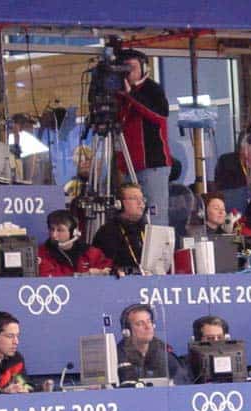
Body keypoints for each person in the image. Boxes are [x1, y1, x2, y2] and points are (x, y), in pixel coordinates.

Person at [116, 49, 172, 227]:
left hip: (152, 164)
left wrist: (132, 95)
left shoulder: (152, 89)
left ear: (143, 68)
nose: (127, 72)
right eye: (123, 68)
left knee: (154, 218)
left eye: (131, 67)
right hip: (128, 166)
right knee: (130, 217)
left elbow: (160, 114)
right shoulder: (118, 93)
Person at [116, 304, 188, 385]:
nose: (148, 327)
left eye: (149, 322)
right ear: (127, 331)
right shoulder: (117, 356)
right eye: (140, 323)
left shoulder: (162, 351)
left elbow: (182, 381)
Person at [38, 210, 113, 277]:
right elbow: (49, 278)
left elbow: (109, 269)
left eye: (60, 230)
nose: (54, 235)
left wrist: (110, 272)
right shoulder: (40, 254)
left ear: (74, 232)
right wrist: (83, 275)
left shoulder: (91, 253)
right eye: (51, 229)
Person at [93, 182, 147, 275]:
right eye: (134, 198)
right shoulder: (107, 232)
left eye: (142, 199)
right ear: (119, 204)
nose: (140, 203)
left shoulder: (146, 229)